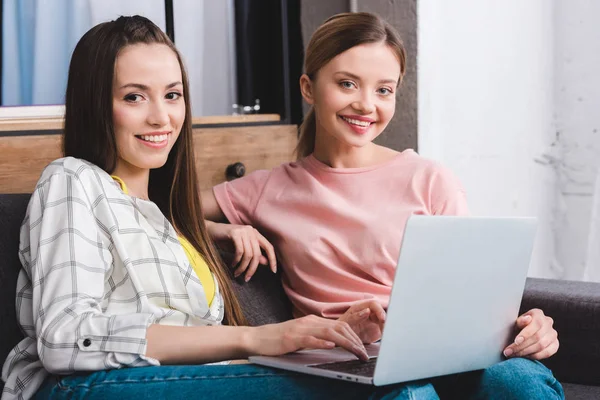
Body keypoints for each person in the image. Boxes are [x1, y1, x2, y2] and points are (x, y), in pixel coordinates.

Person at [1, 15, 439, 400]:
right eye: (134, 97)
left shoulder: (168, 222)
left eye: (172, 95)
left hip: (188, 380)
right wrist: (258, 337)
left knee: (395, 381)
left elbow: (158, 221)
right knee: (389, 387)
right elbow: (65, 340)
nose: (161, 118)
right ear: (96, 103)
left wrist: (213, 229)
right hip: (92, 386)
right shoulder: (71, 179)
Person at [202, 12, 564, 399]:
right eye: (347, 84)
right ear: (308, 87)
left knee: (518, 383)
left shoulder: (428, 179)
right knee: (409, 393)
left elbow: (477, 291)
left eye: (383, 90)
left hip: (446, 354)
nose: (365, 105)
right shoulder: (269, 188)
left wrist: (531, 323)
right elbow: (159, 208)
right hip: (349, 363)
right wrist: (222, 228)